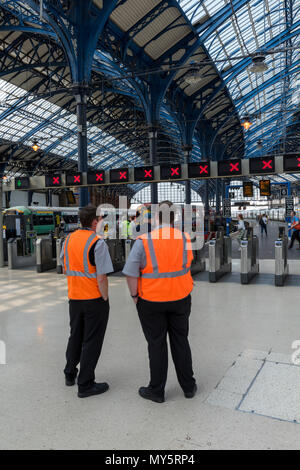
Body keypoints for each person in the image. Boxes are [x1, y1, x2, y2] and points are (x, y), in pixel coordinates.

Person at [123, 201, 196, 403]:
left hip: (151, 301)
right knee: (181, 341)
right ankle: (188, 387)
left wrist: (134, 296)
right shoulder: (185, 239)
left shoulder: (143, 240)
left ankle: (156, 391)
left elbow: (130, 273)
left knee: (156, 344)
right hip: (181, 298)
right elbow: (187, 264)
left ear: (155, 218)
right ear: (175, 218)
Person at [61, 205, 114, 398]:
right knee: (91, 341)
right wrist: (105, 297)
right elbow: (101, 277)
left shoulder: (68, 239)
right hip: (93, 299)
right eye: (100, 220)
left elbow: (65, 267)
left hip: (74, 297)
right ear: (94, 222)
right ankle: (85, 384)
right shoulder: (97, 243)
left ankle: (69, 373)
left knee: (75, 335)